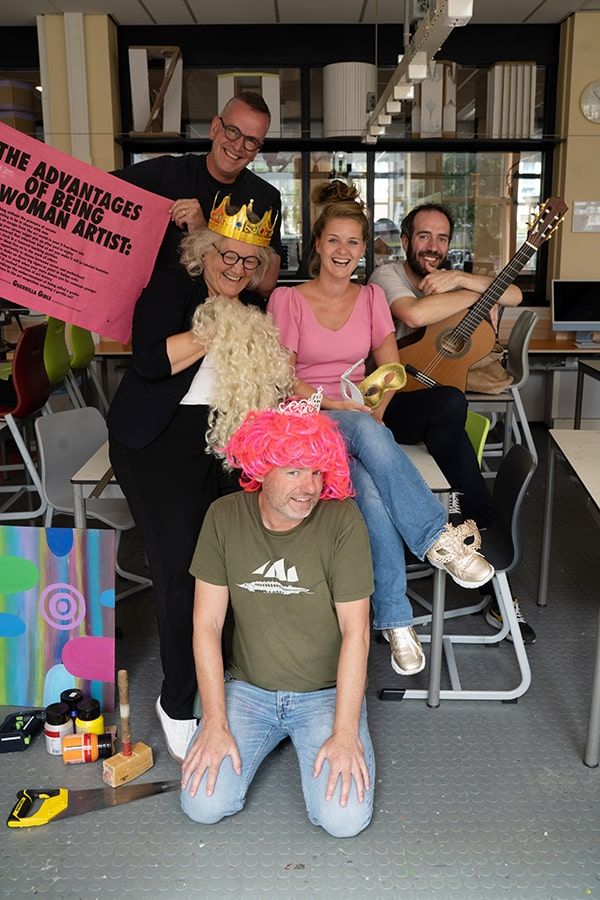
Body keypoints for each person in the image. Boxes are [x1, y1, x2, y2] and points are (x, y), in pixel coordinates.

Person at [267, 181, 495, 677]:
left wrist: (374, 407)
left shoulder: (371, 297)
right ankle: (439, 538)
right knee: (368, 435)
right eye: (333, 241)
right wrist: (340, 406)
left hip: (357, 416)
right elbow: (284, 377)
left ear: (362, 249)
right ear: (317, 246)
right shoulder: (288, 301)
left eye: (353, 242)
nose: (343, 251)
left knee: (370, 494)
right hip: (305, 416)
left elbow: (389, 368)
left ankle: (396, 621)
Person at [107, 196, 293, 763]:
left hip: (220, 442)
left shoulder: (252, 304)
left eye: (247, 263)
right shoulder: (172, 288)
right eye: (227, 257)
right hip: (158, 442)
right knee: (182, 572)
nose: (235, 270)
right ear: (206, 250)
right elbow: (149, 362)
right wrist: (218, 327)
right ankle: (178, 700)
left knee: (233, 564)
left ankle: (227, 681)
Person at [181, 403, 375, 838]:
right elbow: (206, 626)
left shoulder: (341, 520)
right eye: (293, 471)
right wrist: (214, 721)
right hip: (248, 691)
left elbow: (356, 633)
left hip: (324, 694)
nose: (309, 487)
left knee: (342, 821)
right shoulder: (224, 517)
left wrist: (345, 732)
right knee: (202, 805)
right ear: (261, 469)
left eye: (317, 472)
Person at [369, 202, 536, 643]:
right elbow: (414, 315)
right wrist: (484, 291)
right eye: (423, 236)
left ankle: (472, 538)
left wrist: (461, 278)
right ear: (406, 240)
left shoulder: (452, 275)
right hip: (394, 401)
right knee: (450, 405)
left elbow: (516, 295)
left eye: (442, 238)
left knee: (451, 429)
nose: (433, 247)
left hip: (438, 411)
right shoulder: (387, 275)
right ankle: (479, 540)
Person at [115, 91, 282, 299]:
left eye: (251, 141)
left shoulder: (266, 197)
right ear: (214, 128)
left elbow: (267, 284)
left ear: (257, 149)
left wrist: (203, 231)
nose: (238, 146)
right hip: (163, 316)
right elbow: (95, 190)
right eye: (232, 131)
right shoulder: (167, 172)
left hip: (231, 324)